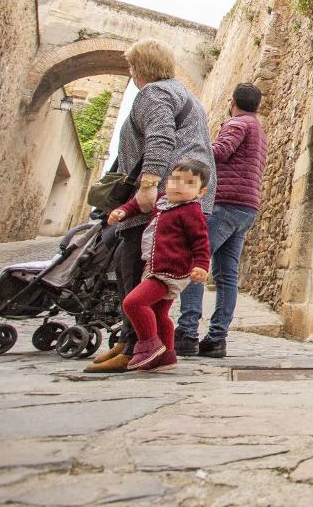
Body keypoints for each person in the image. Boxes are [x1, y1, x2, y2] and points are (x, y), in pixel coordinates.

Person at [85, 39, 217, 374]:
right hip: (188, 194)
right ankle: (135, 341)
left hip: (164, 193)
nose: (130, 74)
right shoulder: (187, 96)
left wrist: (147, 185)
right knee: (146, 270)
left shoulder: (154, 94)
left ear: (140, 69)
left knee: (134, 265)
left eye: (131, 67)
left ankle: (134, 348)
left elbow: (160, 137)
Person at [175, 82, 268, 358]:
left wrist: (195, 151)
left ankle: (188, 331)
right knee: (227, 275)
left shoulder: (237, 123)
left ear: (233, 102)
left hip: (225, 204)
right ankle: (216, 338)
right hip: (246, 208)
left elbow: (219, 152)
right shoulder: (259, 131)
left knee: (196, 261)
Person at [107, 159, 211, 371]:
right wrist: (123, 212)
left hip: (169, 272)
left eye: (188, 183)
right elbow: (138, 204)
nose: (179, 186)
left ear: (201, 192)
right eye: (175, 180)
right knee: (159, 314)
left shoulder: (191, 211)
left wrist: (201, 265)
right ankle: (167, 356)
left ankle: (149, 345)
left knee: (133, 303)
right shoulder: (163, 201)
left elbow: (200, 241)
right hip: (155, 267)